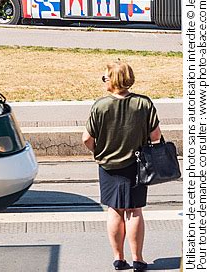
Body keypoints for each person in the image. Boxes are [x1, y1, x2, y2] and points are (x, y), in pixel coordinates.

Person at [82, 61, 161, 271]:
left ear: (114, 80)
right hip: (137, 166)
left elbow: (86, 139)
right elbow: (156, 136)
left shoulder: (100, 106)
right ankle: (138, 259)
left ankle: (118, 258)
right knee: (135, 211)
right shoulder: (143, 104)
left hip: (109, 167)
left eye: (105, 77)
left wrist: (98, 151)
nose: (104, 81)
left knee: (115, 211)